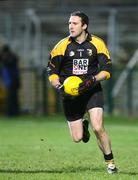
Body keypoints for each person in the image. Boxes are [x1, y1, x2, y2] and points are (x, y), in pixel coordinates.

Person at [47, 11, 117, 174]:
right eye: (69, 23)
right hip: (70, 95)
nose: (71, 26)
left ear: (84, 26)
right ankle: (83, 128)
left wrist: (92, 80)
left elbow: (107, 70)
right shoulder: (61, 46)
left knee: (98, 127)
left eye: (75, 23)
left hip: (92, 91)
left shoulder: (97, 43)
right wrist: (59, 86)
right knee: (77, 138)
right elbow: (52, 72)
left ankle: (110, 163)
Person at [0, 45, 20, 116]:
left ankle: (12, 113)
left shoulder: (11, 58)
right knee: (12, 97)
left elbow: (9, 62)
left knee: (12, 97)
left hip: (12, 80)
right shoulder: (11, 57)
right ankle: (13, 112)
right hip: (11, 80)